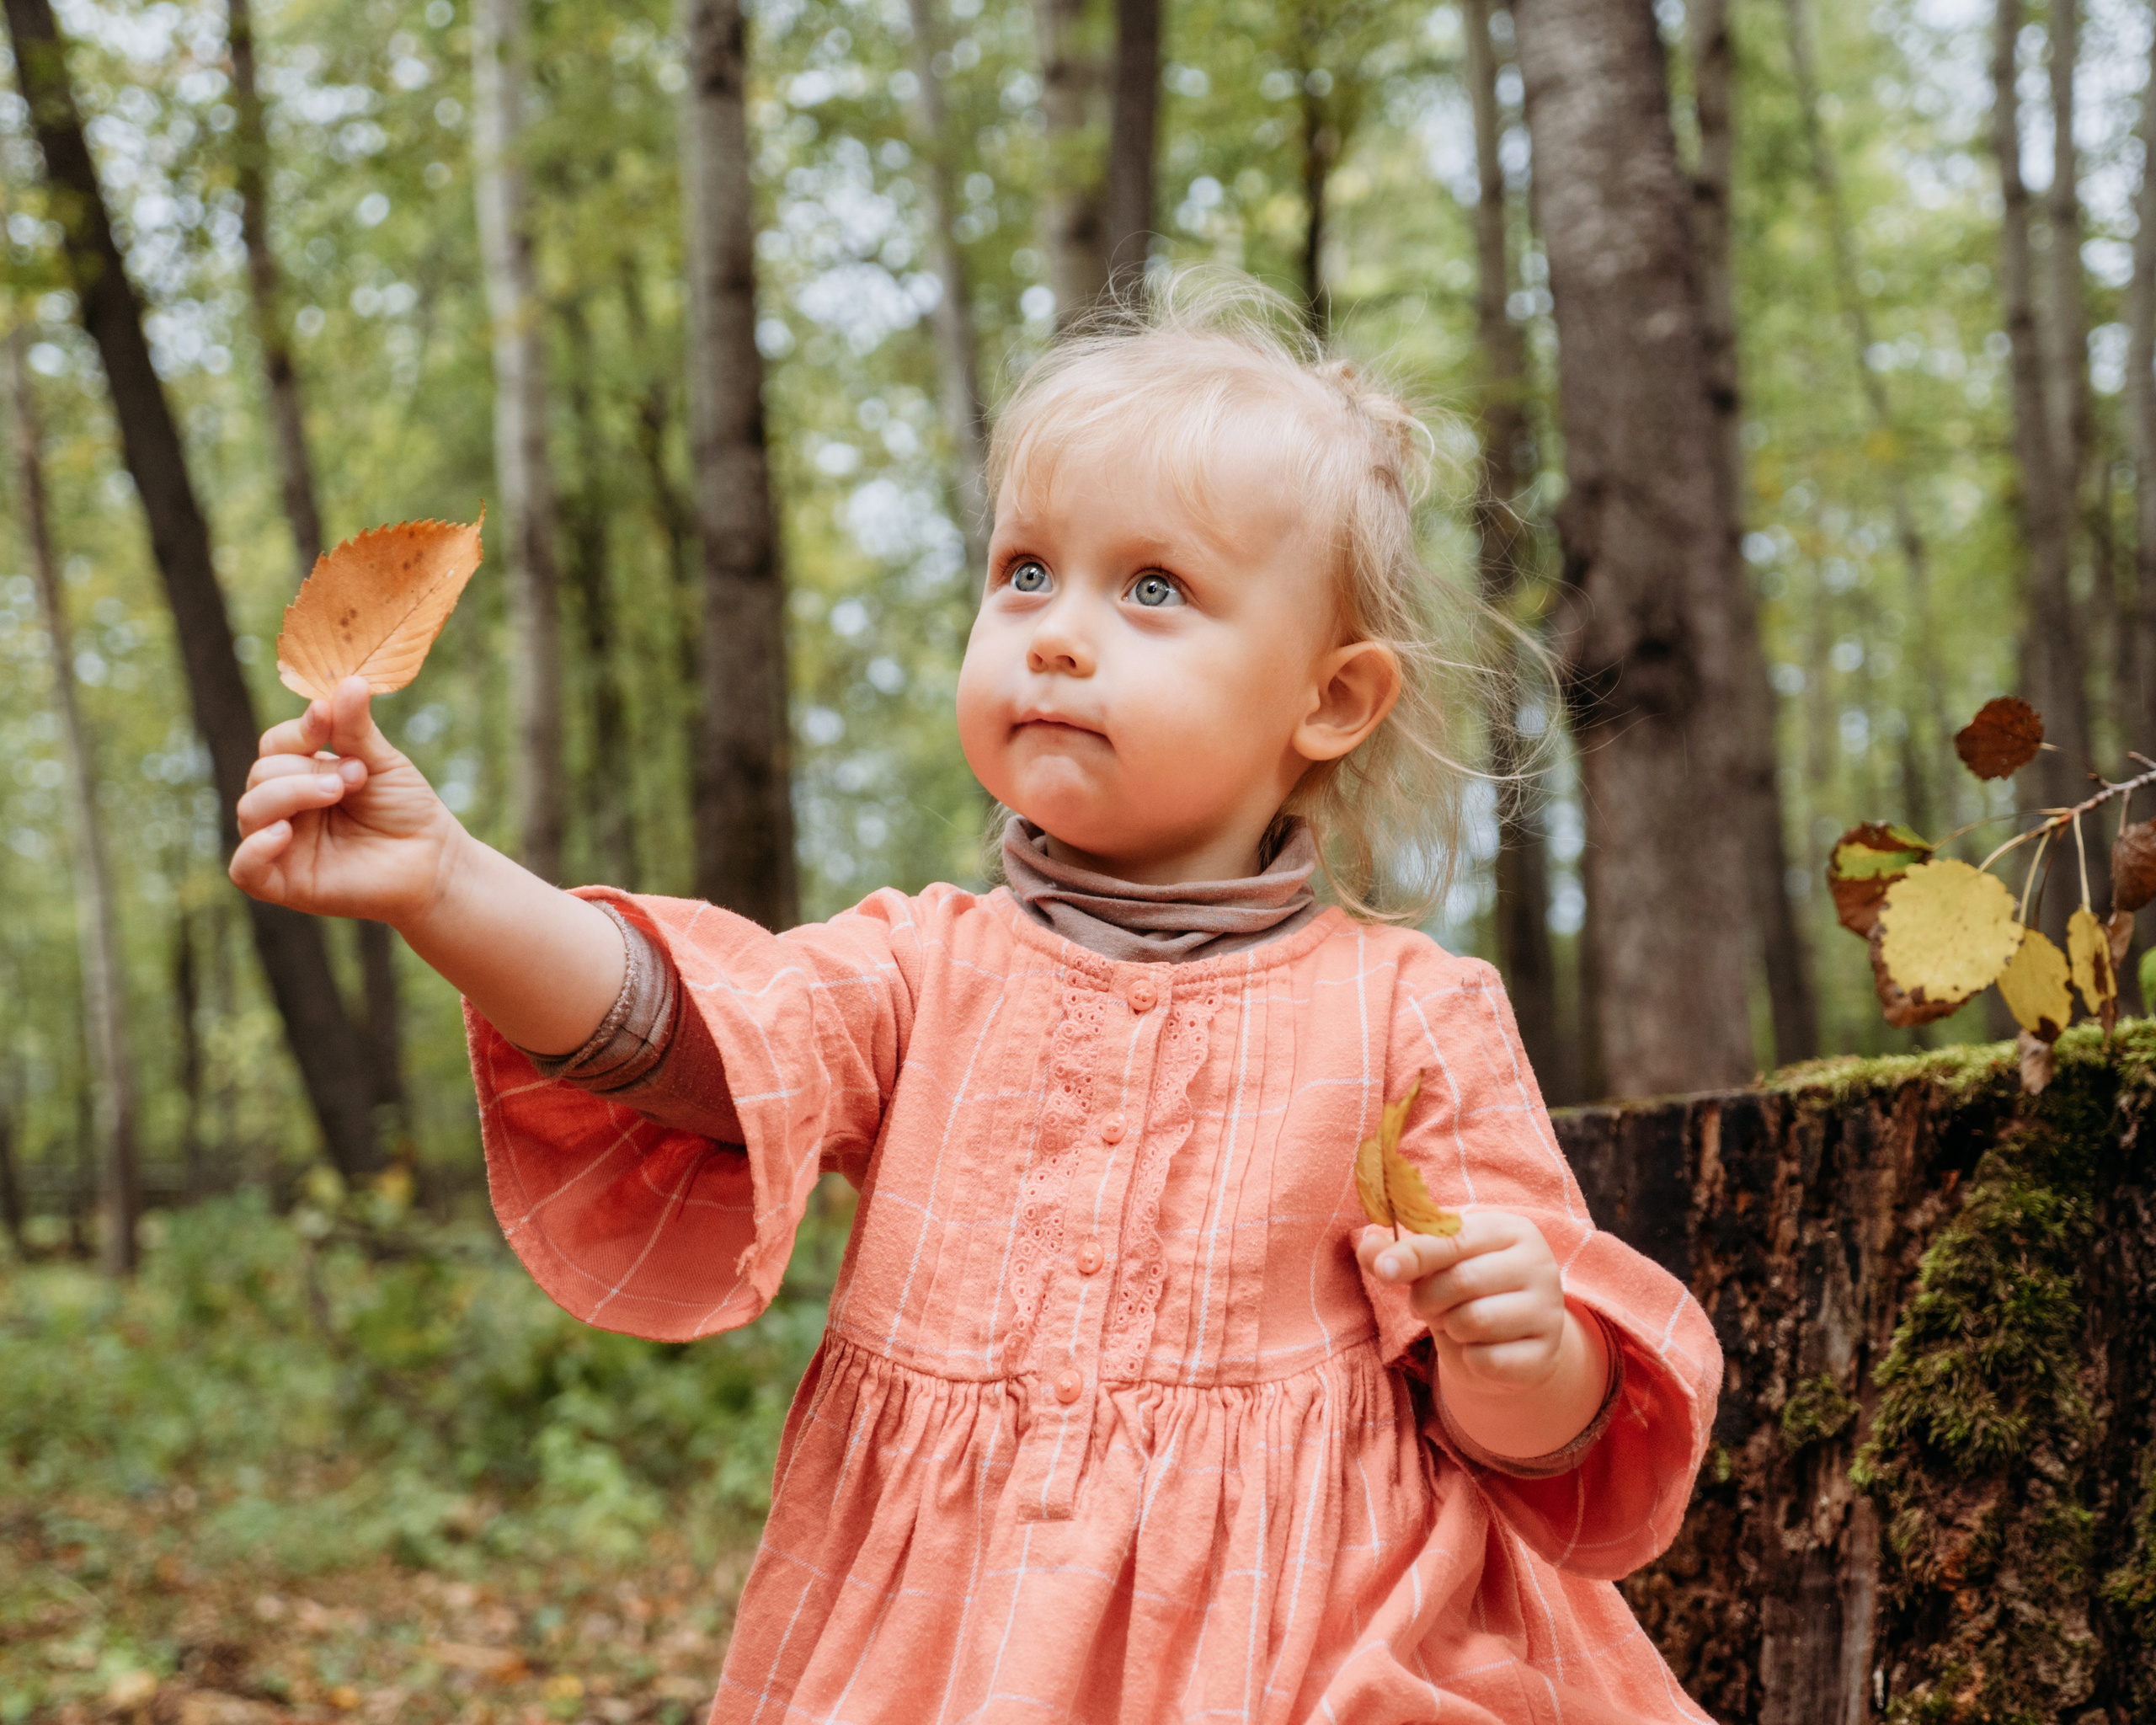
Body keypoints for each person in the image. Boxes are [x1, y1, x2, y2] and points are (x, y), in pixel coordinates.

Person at [230, 273, 1720, 1722]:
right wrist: (450, 885)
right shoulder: (921, 967)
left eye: (1154, 588)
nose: (1058, 630)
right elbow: (694, 1038)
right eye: (1024, 573)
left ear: (1329, 700)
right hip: (947, 1639)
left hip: (1298, 1642)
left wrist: (1520, 1351)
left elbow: (1542, 1448)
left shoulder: (1408, 1013)